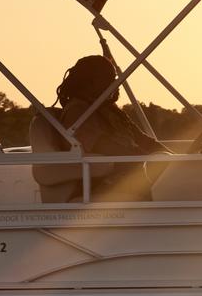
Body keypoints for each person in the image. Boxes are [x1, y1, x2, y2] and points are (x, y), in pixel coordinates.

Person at [28, 54, 168, 202]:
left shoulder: (109, 110)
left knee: (180, 178)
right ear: (89, 81)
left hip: (130, 173)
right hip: (104, 181)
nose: (114, 82)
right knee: (174, 187)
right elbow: (102, 145)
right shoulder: (78, 112)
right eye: (108, 77)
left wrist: (178, 160)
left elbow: (145, 141)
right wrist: (144, 159)